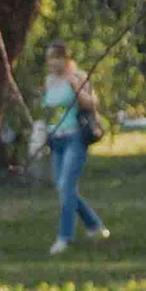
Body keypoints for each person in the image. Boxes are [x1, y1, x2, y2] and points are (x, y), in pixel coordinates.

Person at [39, 38, 110, 254]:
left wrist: (77, 88)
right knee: (63, 187)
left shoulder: (77, 76)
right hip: (56, 139)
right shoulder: (49, 81)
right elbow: (47, 110)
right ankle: (95, 225)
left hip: (75, 138)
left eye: (56, 58)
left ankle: (64, 237)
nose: (52, 63)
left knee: (66, 187)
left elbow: (92, 103)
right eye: (49, 59)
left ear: (65, 58)